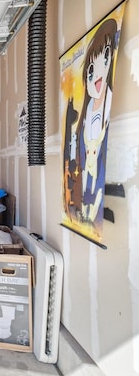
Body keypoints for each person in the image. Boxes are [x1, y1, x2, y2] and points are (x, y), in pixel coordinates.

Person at [76, 18, 118, 233]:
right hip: (87, 160)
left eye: (105, 59)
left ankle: (92, 214)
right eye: (91, 69)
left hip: (97, 160)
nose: (97, 76)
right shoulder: (88, 109)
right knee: (86, 186)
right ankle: (86, 211)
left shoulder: (106, 104)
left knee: (93, 187)